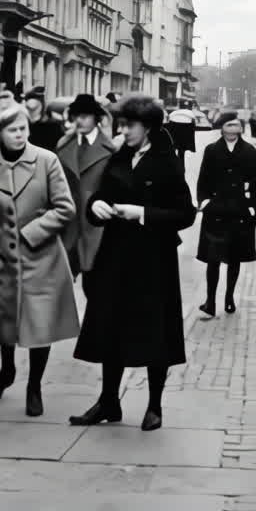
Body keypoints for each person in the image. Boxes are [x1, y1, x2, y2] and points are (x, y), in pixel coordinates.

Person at [70, 94, 196, 431]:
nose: (123, 130)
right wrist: (94, 207)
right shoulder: (121, 155)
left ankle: (154, 405)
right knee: (111, 327)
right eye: (122, 124)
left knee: (156, 331)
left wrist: (142, 214)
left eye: (130, 125)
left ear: (149, 126)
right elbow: (102, 194)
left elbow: (185, 213)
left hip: (154, 259)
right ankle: (108, 401)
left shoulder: (166, 161)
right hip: (116, 254)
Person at [0, 104, 80, 418]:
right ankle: (6, 370)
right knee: (5, 321)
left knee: (39, 323)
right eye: (12, 130)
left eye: (23, 129)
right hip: (0, 257)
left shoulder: (47, 161)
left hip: (41, 256)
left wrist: (30, 233)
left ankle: (34, 385)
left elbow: (65, 208)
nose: (20, 135)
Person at [195, 112, 256, 317]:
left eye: (237, 125)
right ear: (222, 128)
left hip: (239, 211)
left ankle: (229, 297)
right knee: (213, 259)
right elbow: (203, 179)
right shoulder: (212, 150)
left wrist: (254, 207)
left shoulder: (250, 151)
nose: (234, 128)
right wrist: (204, 202)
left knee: (234, 258)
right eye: (229, 125)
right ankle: (210, 300)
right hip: (216, 210)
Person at [55, 94, 117, 292]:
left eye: (85, 116)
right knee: (61, 289)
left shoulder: (110, 150)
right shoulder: (63, 146)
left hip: (97, 229)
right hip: (68, 228)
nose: (79, 120)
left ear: (96, 118)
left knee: (95, 288)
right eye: (76, 116)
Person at [21, 87, 63, 151]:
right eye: (28, 109)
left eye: (34, 109)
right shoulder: (21, 125)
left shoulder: (54, 125)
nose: (32, 114)